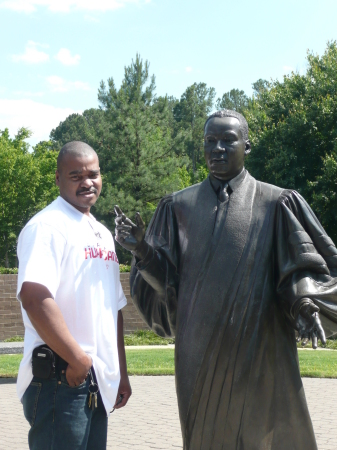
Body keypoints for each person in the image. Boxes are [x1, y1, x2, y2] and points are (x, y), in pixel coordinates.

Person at [115, 110, 337, 450]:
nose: (217, 148)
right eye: (210, 141)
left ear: (247, 146)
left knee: (269, 436)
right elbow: (168, 288)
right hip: (199, 352)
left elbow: (301, 268)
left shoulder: (277, 203)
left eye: (228, 140)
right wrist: (143, 251)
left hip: (263, 349)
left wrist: (306, 304)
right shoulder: (177, 208)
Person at [17, 141, 131, 450]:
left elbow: (114, 308)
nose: (87, 182)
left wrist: (119, 372)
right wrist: (77, 358)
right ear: (57, 178)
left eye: (93, 174)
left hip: (93, 379)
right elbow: (34, 296)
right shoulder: (48, 226)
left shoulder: (101, 232)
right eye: (75, 175)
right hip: (61, 379)